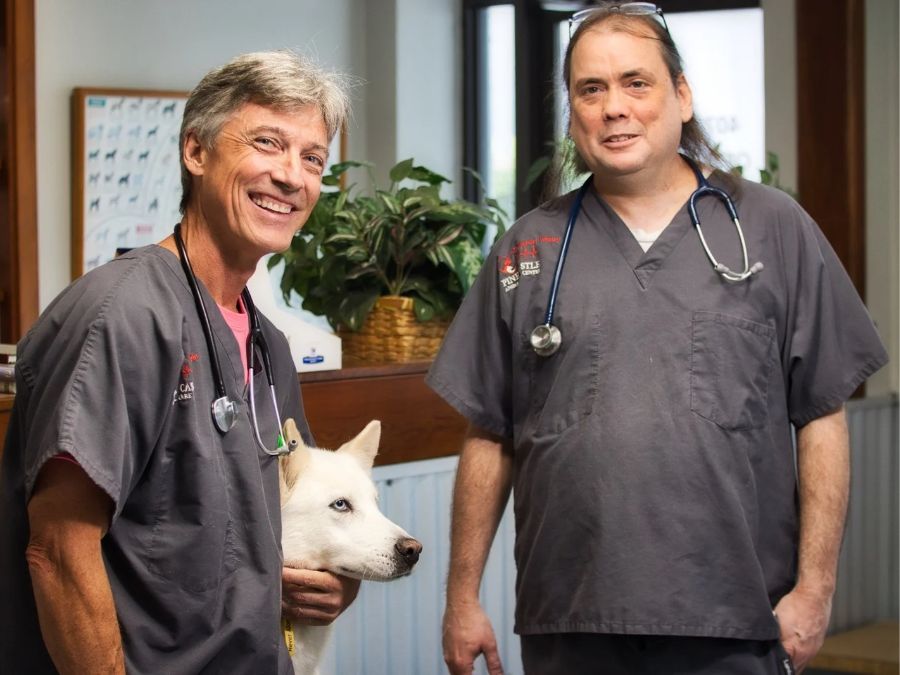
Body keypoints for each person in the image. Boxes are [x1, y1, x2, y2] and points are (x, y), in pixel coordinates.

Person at [427, 3, 889, 674]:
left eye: (635, 82)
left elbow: (822, 412)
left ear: (682, 95)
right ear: (573, 111)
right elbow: (489, 433)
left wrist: (815, 588)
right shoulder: (527, 247)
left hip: (734, 621)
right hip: (570, 621)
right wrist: (461, 597)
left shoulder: (771, 230)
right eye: (591, 89)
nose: (614, 107)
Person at [0, 51, 359, 673]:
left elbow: (254, 522)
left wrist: (330, 585)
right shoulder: (120, 316)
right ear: (196, 151)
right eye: (267, 143)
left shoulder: (269, 346)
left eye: (312, 158)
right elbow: (58, 550)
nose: (291, 176)